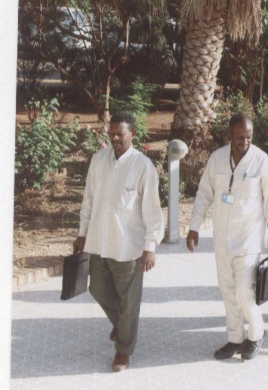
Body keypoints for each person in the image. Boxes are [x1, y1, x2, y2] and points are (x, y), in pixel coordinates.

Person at [186, 114, 268, 361]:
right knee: (228, 292)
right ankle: (235, 339)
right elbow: (204, 193)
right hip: (222, 239)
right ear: (229, 133)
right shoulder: (217, 158)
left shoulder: (261, 160)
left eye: (249, 137)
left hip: (249, 239)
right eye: (240, 137)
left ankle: (256, 335)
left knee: (243, 291)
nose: (244, 141)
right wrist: (194, 226)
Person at [73, 111, 164, 372]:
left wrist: (150, 247)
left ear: (132, 134)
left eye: (120, 133)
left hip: (128, 248)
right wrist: (82, 233)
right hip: (99, 243)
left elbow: (152, 211)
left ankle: (123, 351)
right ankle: (123, 324)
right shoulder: (98, 160)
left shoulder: (143, 166)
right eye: (111, 133)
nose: (114, 138)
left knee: (129, 302)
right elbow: (88, 199)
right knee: (97, 289)